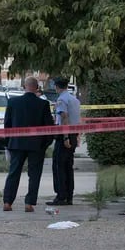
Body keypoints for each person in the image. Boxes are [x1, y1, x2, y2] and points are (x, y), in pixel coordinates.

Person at [2, 76, 54, 212]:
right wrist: (45, 144)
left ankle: (7, 202)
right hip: (36, 145)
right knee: (34, 174)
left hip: (17, 143)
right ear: (37, 88)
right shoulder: (43, 104)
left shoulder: (13, 102)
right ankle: (29, 203)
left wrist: (8, 142)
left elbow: (7, 124)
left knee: (13, 173)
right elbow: (49, 127)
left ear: (24, 87)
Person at [47, 77, 81, 206]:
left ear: (56, 86)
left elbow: (64, 117)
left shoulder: (61, 99)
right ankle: (69, 196)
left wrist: (65, 137)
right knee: (68, 167)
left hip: (64, 136)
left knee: (59, 166)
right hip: (73, 134)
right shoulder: (74, 100)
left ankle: (61, 196)